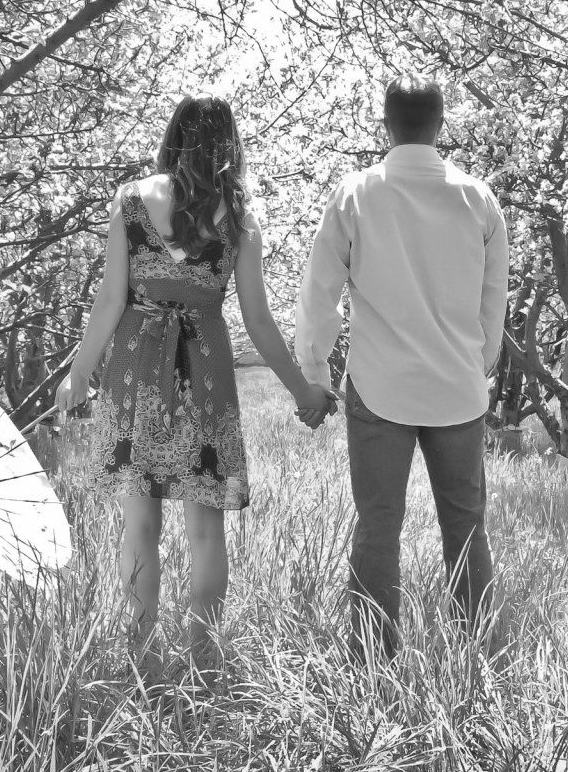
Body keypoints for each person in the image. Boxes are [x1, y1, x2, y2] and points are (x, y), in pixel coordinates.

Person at [60, 96, 339, 669]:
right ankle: (204, 659)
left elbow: (110, 299)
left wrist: (80, 373)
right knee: (206, 528)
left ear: (174, 136)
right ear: (228, 144)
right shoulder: (239, 215)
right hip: (205, 372)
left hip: (136, 369)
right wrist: (302, 391)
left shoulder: (133, 199)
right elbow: (258, 321)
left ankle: (140, 657)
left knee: (139, 522)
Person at [295, 75, 509, 660]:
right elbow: (494, 306)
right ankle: (475, 658)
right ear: (442, 125)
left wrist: (312, 375)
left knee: (378, 526)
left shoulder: (355, 195)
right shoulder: (479, 199)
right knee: (466, 526)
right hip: (457, 392)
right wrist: (475, 368)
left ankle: (370, 662)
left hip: (379, 386)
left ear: (384, 124)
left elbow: (319, 297)